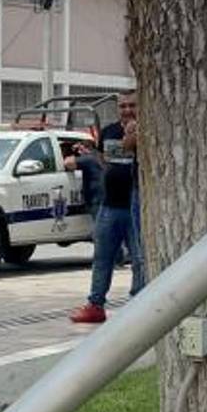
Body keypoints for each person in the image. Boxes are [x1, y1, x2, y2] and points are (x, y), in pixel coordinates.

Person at [70, 92, 146, 324]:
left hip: (136, 205)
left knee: (139, 258)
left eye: (132, 105)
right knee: (102, 257)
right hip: (110, 205)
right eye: (122, 106)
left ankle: (139, 304)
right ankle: (95, 304)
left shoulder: (147, 131)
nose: (127, 110)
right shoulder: (109, 132)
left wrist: (134, 134)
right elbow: (103, 159)